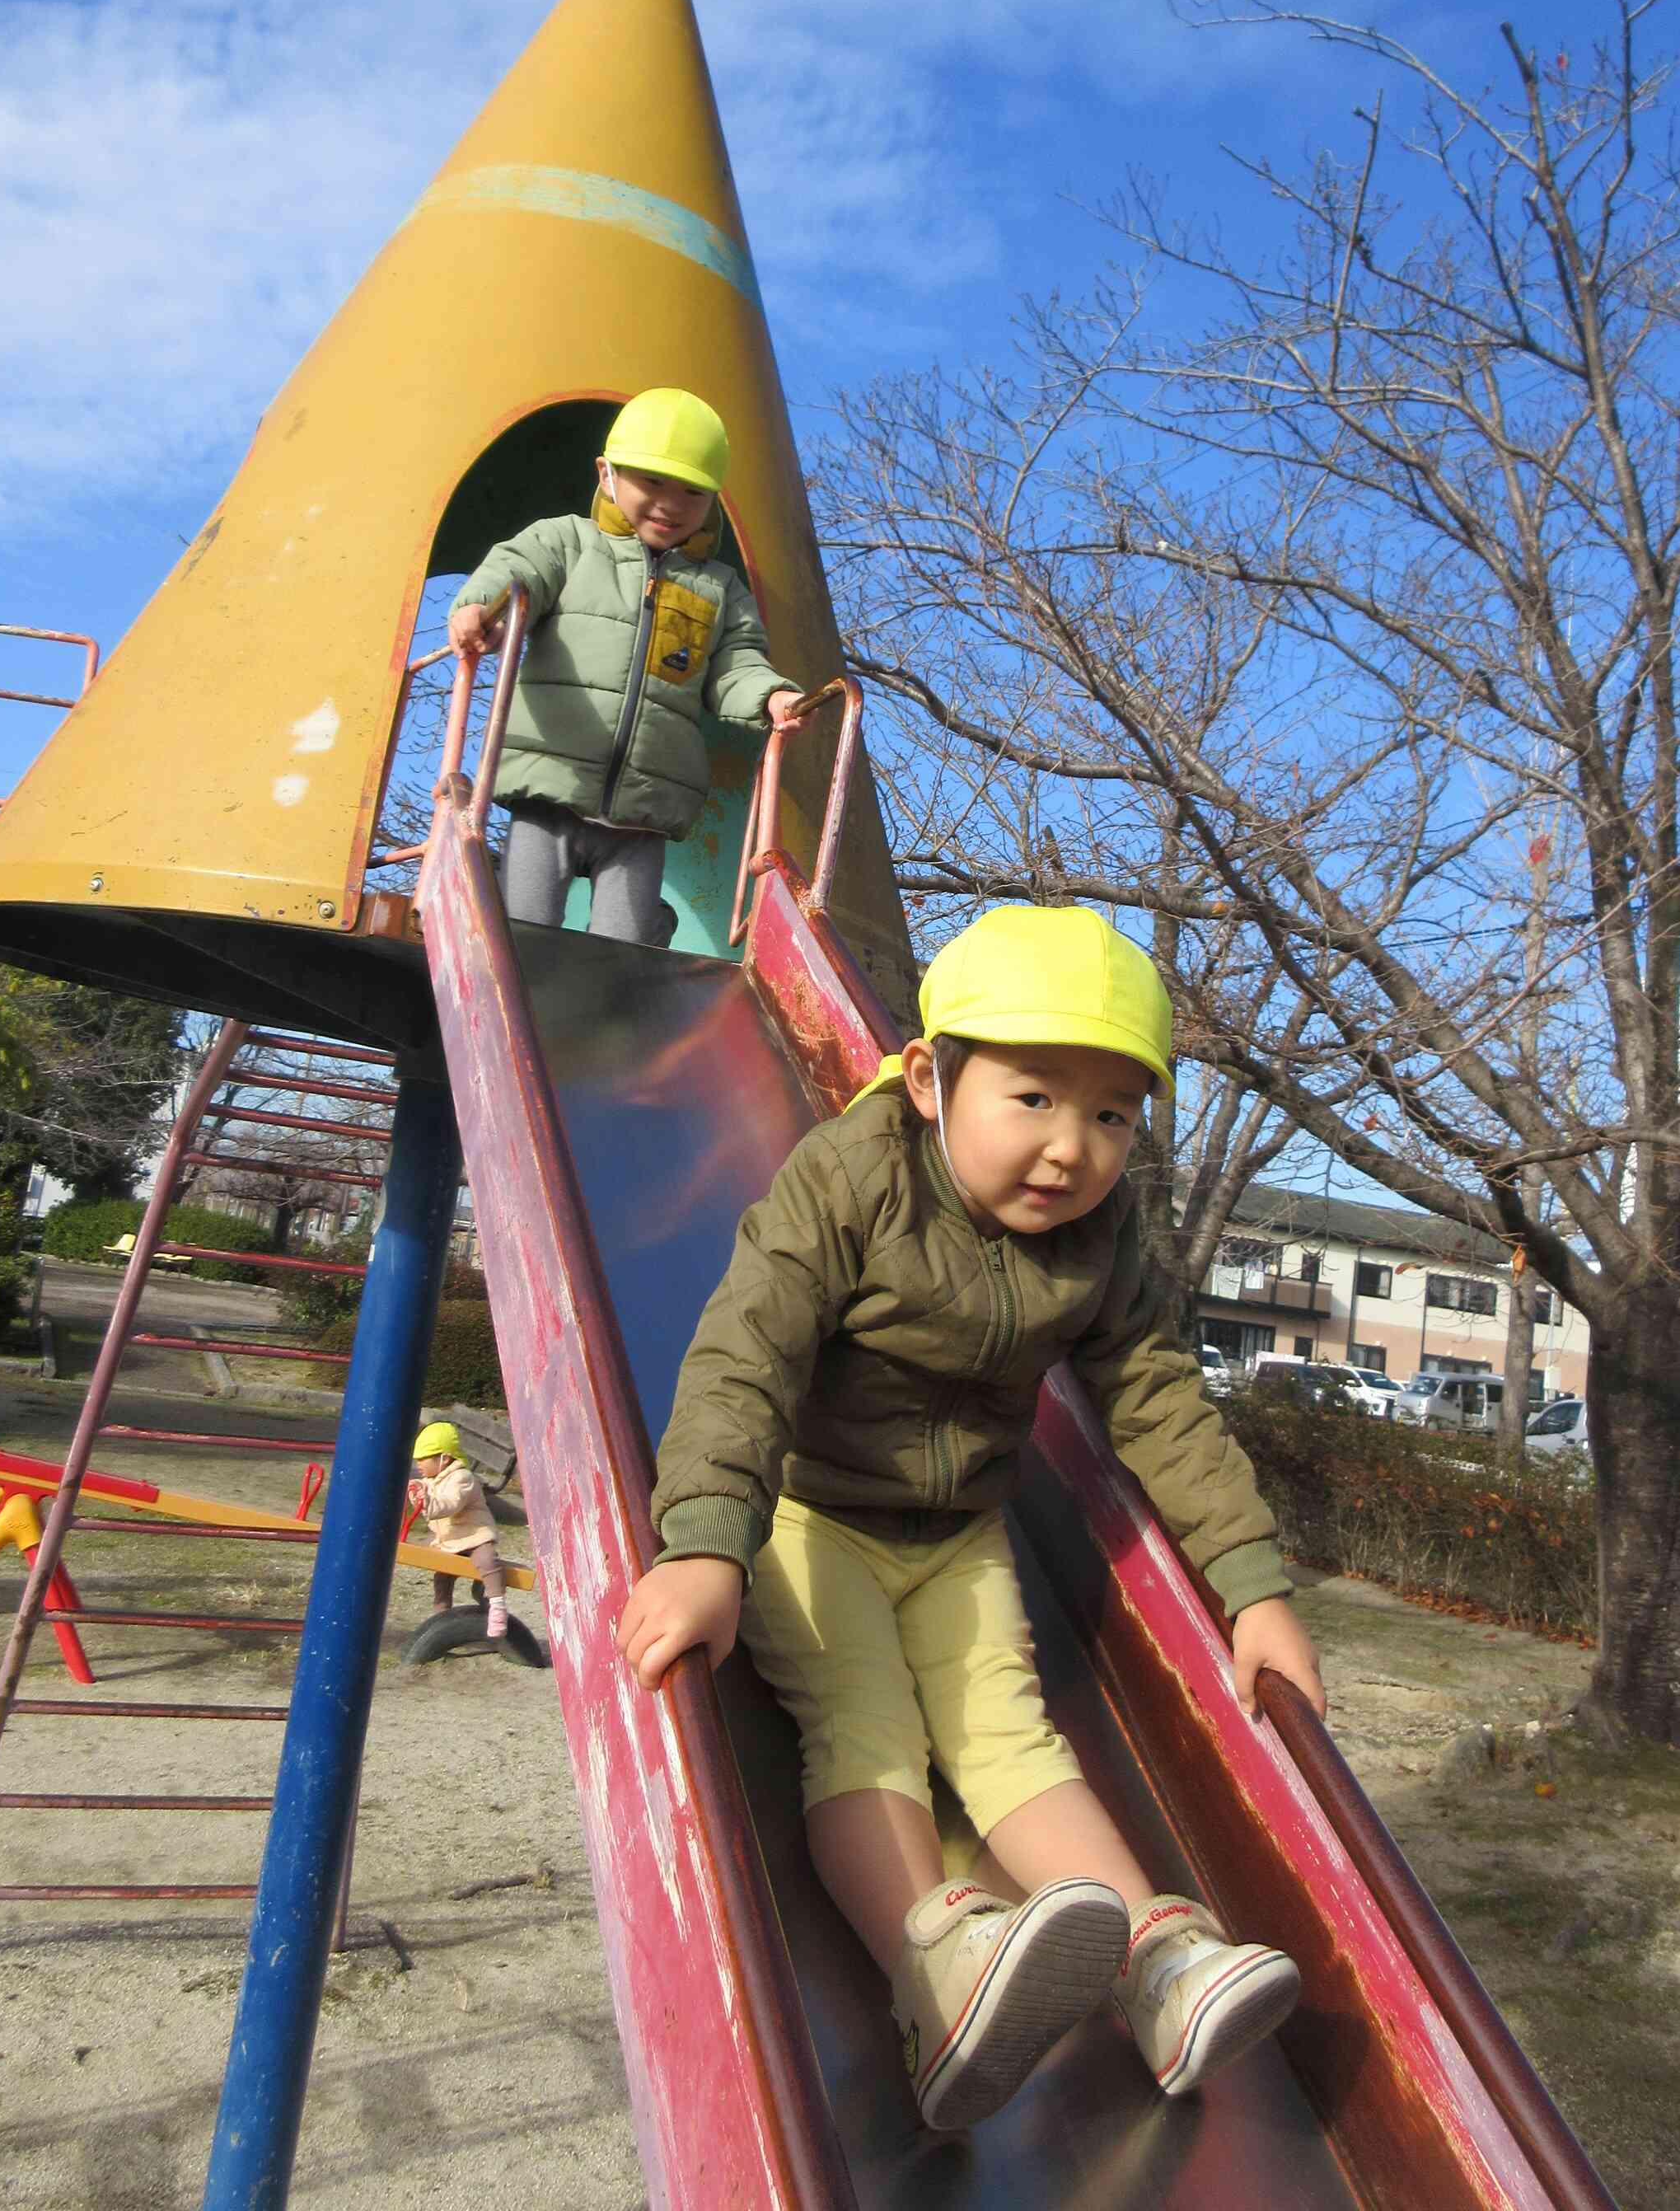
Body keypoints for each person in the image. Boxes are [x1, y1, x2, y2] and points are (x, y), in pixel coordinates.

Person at [615, 906, 1325, 2132]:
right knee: (868, 1731)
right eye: (1035, 1098)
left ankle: (1157, 1962)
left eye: (1112, 1114)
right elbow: (747, 1355)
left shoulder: (1102, 1239)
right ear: (930, 1079)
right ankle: (936, 1970)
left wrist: (1253, 1587)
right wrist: (704, 1543)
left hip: (957, 1534)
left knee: (1013, 1743)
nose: (1071, 1150)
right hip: (810, 1514)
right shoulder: (851, 1178)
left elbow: (1156, 1396)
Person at [448, 387, 805, 946]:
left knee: (625, 950)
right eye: (652, 482)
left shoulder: (717, 588)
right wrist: (482, 606)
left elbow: (737, 663)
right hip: (552, 787)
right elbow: (519, 571)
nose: (670, 503)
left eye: (692, 491)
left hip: (644, 807)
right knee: (521, 931)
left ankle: (637, 956)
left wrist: (770, 698)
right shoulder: (568, 542)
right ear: (607, 473)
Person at [408, 1422, 507, 1639]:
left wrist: (429, 1501)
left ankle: (497, 1606)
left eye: (424, 1458)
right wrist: (419, 1496)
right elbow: (429, 1504)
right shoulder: (431, 1480)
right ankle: (442, 1617)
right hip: (451, 1541)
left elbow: (450, 1504)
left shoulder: (462, 1478)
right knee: (442, 1576)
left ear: (444, 1458)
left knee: (487, 1561)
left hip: (475, 1536)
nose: (418, 1463)